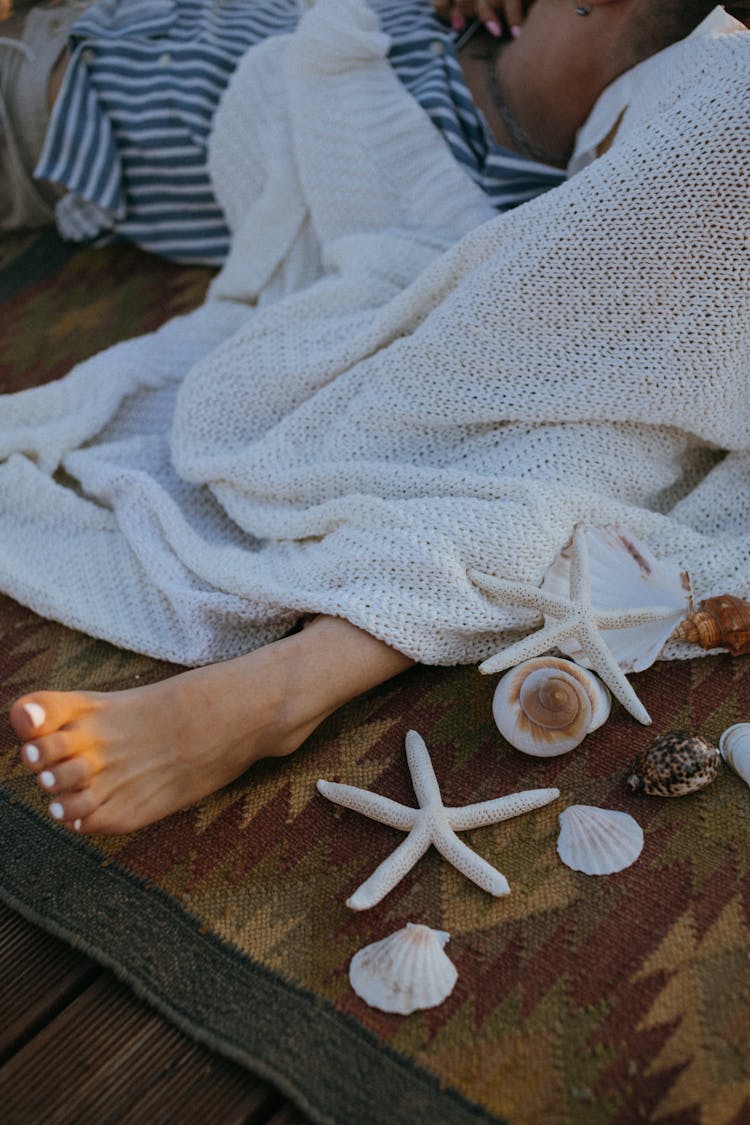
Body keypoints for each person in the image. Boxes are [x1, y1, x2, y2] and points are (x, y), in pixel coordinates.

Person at [2, 0, 748, 837]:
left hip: (57, 100)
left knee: (609, 423)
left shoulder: (653, 126)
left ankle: (290, 687)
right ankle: (297, 682)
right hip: (68, 54)